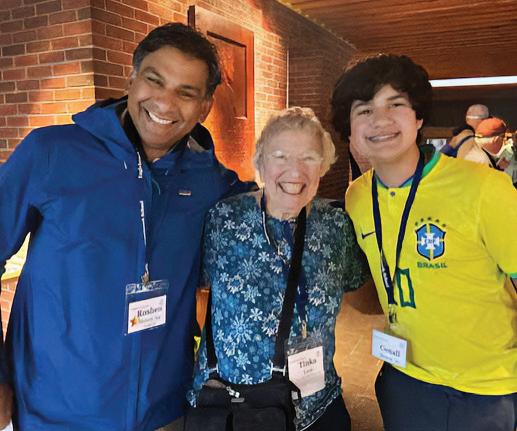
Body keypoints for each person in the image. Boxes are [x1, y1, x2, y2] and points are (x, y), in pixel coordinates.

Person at [0, 23, 247, 431]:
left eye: (186, 92)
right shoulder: (51, 153)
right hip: (52, 412)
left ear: (204, 107)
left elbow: (275, 203)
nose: (165, 102)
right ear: (131, 80)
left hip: (164, 414)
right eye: (155, 81)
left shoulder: (210, 181)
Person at [331, 54, 517, 431]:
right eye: (364, 110)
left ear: (418, 118)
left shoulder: (484, 188)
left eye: (395, 104)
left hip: (483, 387)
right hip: (403, 377)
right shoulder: (357, 197)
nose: (380, 120)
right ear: (349, 130)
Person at [188, 107, 368, 431]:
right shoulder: (224, 218)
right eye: (280, 156)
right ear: (260, 163)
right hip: (231, 404)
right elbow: (197, 291)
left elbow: (361, 290)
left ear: (324, 166)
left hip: (316, 404)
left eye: (309, 158)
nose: (295, 171)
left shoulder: (337, 225)